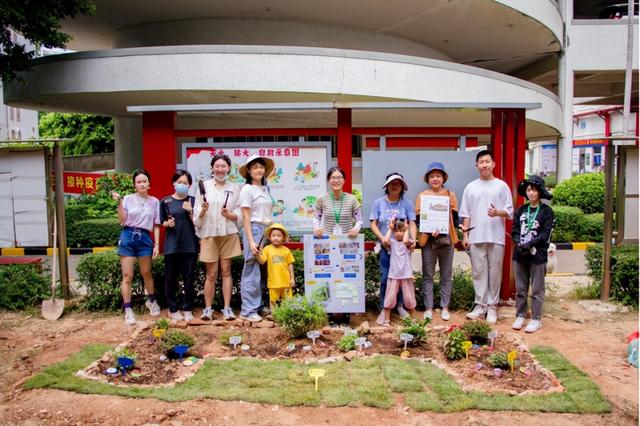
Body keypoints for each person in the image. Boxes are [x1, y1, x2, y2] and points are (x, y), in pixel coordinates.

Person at [459, 150, 513, 324]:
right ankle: (480, 305)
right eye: (481, 162)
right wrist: (465, 235)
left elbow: (510, 212)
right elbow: (466, 213)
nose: (484, 165)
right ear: (477, 165)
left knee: (495, 272)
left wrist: (497, 212)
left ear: (493, 164)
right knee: (478, 272)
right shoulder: (470, 187)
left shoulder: (502, 186)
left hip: (496, 236)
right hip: (476, 236)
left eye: (487, 161)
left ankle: (492, 307)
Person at [193, 154, 242, 321]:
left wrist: (230, 215)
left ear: (229, 168)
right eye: (217, 166)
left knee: (226, 271)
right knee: (211, 274)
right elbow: (196, 215)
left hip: (228, 233)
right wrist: (203, 210)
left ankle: (227, 308)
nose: (220, 169)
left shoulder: (235, 188)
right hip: (209, 234)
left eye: (224, 166)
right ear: (212, 168)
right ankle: (208, 309)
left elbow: (240, 214)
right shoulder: (204, 187)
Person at [313, 166, 363, 326]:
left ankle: (346, 315)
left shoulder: (352, 199)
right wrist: (316, 228)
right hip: (326, 243)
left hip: (346, 244)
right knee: (327, 277)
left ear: (344, 180)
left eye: (339, 177)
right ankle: (330, 316)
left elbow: (360, 219)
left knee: (346, 278)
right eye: (333, 177)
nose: (336, 180)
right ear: (329, 180)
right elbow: (315, 217)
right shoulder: (322, 198)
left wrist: (356, 228)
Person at [112, 169, 161, 325]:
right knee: (127, 276)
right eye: (139, 182)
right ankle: (128, 310)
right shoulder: (127, 199)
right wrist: (119, 202)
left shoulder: (155, 202)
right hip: (127, 236)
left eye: (144, 181)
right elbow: (122, 219)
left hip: (145, 238)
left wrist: (157, 244)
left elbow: (157, 224)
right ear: (134, 185)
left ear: (149, 184)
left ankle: (152, 301)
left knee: (146, 272)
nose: (142, 184)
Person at [369, 172, 416, 325]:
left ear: (402, 186)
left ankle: (400, 306)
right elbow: (373, 224)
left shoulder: (407, 203)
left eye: (398, 183)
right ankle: (385, 307)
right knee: (385, 279)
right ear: (386, 186)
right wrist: (382, 238)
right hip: (386, 247)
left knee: (403, 278)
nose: (395, 185)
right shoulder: (378, 203)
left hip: (402, 248)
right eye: (392, 183)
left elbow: (412, 223)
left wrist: (412, 240)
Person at [511, 175, 555, 333]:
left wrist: (531, 243)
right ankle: (520, 315)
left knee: (537, 289)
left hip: (538, 255)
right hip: (520, 253)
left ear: (540, 192)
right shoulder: (521, 210)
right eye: (529, 190)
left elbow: (545, 234)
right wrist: (519, 243)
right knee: (520, 288)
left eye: (534, 190)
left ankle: (536, 318)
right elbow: (515, 230)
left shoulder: (547, 212)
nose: (531, 193)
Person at [415, 162, 458, 321]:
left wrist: (443, 226)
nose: (435, 179)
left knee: (446, 275)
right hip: (428, 240)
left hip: (447, 240)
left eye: (438, 176)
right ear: (427, 178)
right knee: (428, 275)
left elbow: (454, 217)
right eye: (432, 176)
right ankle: (428, 307)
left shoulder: (450, 195)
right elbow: (419, 219)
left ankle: (444, 307)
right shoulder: (422, 196)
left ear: (443, 178)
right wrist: (429, 228)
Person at [238, 155, 275, 322]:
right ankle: (247, 310)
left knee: (261, 269)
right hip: (253, 229)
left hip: (265, 230)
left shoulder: (265, 189)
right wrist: (251, 240)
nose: (259, 170)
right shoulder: (247, 189)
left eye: (261, 167)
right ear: (249, 171)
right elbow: (246, 217)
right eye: (255, 168)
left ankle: (258, 305)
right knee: (251, 268)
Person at [160, 170, 199, 322]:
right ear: (174, 183)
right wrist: (167, 224)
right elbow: (161, 222)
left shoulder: (194, 201)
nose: (182, 185)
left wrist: (190, 212)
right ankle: (173, 308)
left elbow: (198, 222)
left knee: (189, 278)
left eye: (185, 183)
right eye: (179, 182)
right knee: (171, 278)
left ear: (190, 185)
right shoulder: (165, 201)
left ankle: (187, 307)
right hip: (172, 246)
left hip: (190, 245)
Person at [381, 218, 417, 326]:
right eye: (396, 231)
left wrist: (407, 230)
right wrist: (390, 229)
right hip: (394, 274)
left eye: (401, 231)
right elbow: (385, 241)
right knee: (390, 298)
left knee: (409, 298)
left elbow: (406, 241)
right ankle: (387, 320)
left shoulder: (408, 242)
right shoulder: (392, 243)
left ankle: (412, 320)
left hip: (406, 274)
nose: (399, 233)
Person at [256, 223, 295, 311]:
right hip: (273, 282)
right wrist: (257, 254)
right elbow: (262, 261)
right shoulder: (267, 249)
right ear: (269, 237)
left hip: (286, 282)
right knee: (273, 301)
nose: (276, 237)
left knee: (288, 301)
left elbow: (290, 264)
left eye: (279, 236)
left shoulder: (286, 250)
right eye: (273, 235)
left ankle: (286, 316)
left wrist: (292, 278)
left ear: (283, 238)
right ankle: (274, 316)